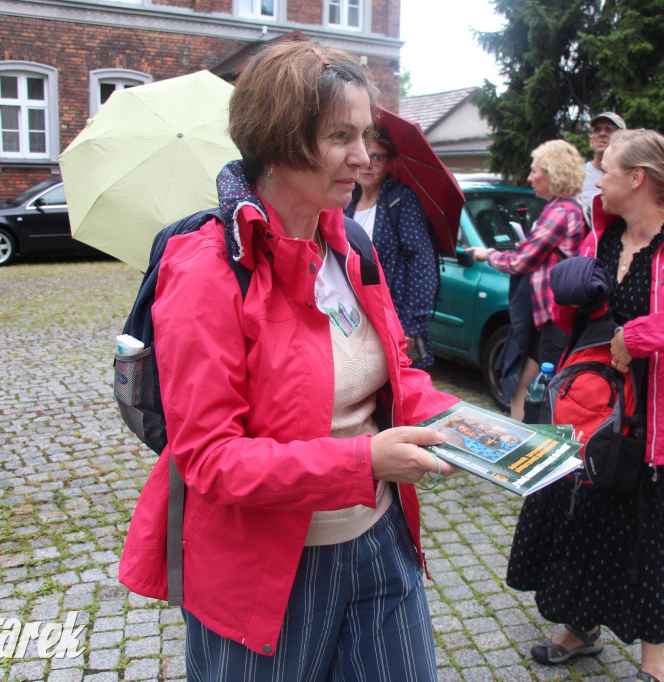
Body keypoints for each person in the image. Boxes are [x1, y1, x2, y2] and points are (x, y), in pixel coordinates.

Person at [117, 42, 461, 680]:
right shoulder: (208, 267)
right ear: (279, 138)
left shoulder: (350, 243)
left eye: (365, 135)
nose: (363, 157)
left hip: (381, 542)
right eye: (340, 136)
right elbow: (210, 459)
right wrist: (366, 460)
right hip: (266, 574)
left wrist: (466, 426)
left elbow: (397, 372)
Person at [506, 129, 664, 681]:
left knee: (638, 533)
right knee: (576, 517)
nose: (598, 178)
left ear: (637, 178)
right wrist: (568, 296)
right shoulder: (601, 239)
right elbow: (576, 324)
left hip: (642, 420)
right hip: (581, 407)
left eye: (606, 168)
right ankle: (581, 628)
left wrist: (639, 336)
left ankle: (653, 661)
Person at [467, 139, 586, 421]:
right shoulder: (569, 208)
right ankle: (520, 443)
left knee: (547, 392)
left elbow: (522, 262)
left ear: (553, 172)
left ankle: (540, 450)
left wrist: (487, 255)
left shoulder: (560, 212)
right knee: (521, 382)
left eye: (535, 171)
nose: (530, 177)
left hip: (556, 321)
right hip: (548, 319)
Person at [343, 126, 439, 367]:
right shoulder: (346, 203)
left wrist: (411, 325)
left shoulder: (401, 201)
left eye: (377, 156)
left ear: (390, 162)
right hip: (355, 319)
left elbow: (422, 265)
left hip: (392, 319)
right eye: (365, 153)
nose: (368, 163)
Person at [579, 111, 626, 209]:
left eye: (610, 129)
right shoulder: (577, 175)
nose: (602, 133)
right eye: (597, 129)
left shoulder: (630, 177)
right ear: (591, 139)